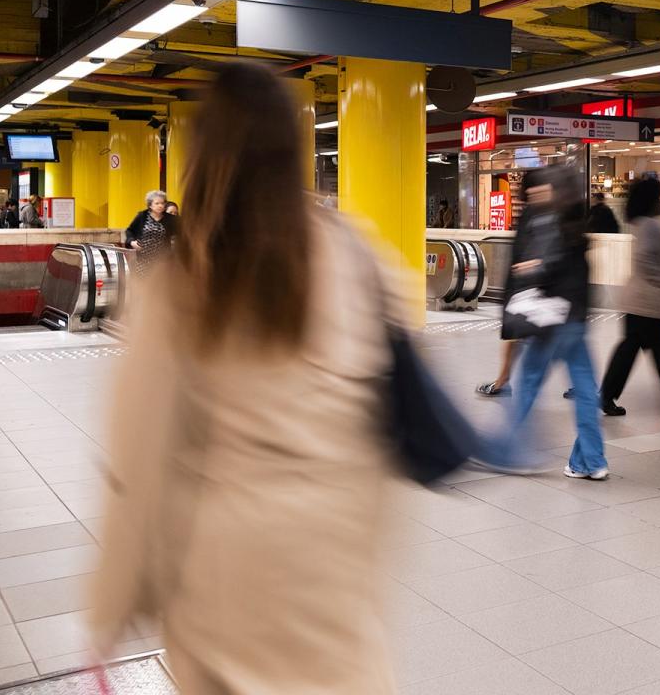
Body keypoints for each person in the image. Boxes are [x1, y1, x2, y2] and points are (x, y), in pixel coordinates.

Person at [90, 62, 403, 693]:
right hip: (333, 554)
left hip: (227, 566)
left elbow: (141, 465)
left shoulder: (185, 282)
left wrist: (114, 604)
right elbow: (384, 424)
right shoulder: (355, 252)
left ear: (203, 158)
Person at [480, 166, 608, 479]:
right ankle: (591, 461)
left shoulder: (550, 221)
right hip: (576, 320)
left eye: (543, 188)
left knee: (528, 383)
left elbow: (547, 265)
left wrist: (530, 268)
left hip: (551, 321)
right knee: (586, 391)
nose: (537, 194)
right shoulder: (578, 223)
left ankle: (511, 452)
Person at [600, 176, 660, 416]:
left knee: (652, 350)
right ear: (652, 200)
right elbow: (649, 258)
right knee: (640, 351)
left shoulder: (641, 224)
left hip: (640, 301)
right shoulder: (651, 226)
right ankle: (608, 395)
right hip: (647, 302)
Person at [124, 190, 180, 266]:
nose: (160, 205)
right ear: (150, 205)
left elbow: (182, 232)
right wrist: (132, 242)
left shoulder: (170, 219)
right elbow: (129, 231)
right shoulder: (142, 216)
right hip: (143, 260)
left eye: (162, 203)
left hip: (163, 261)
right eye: (157, 203)